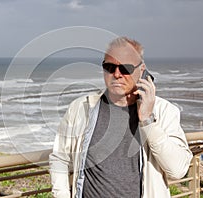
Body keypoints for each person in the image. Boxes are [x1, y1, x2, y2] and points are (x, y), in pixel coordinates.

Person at [49, 36, 193, 198]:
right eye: (109, 67)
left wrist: (147, 120)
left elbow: (178, 170)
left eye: (125, 68)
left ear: (142, 70)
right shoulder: (81, 108)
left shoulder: (164, 111)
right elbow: (60, 158)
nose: (117, 74)